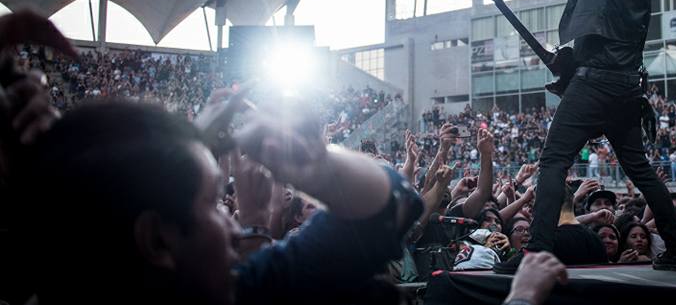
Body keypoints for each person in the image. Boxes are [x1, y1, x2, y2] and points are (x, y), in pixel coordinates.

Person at [7, 87, 423, 305]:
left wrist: (319, 170)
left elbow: (394, 205)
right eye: (211, 203)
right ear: (156, 239)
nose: (232, 223)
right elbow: (393, 208)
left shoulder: (233, 289)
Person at [497, 0, 676, 273]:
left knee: (553, 161)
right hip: (624, 87)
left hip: (597, 83)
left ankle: (535, 254)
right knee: (639, 168)